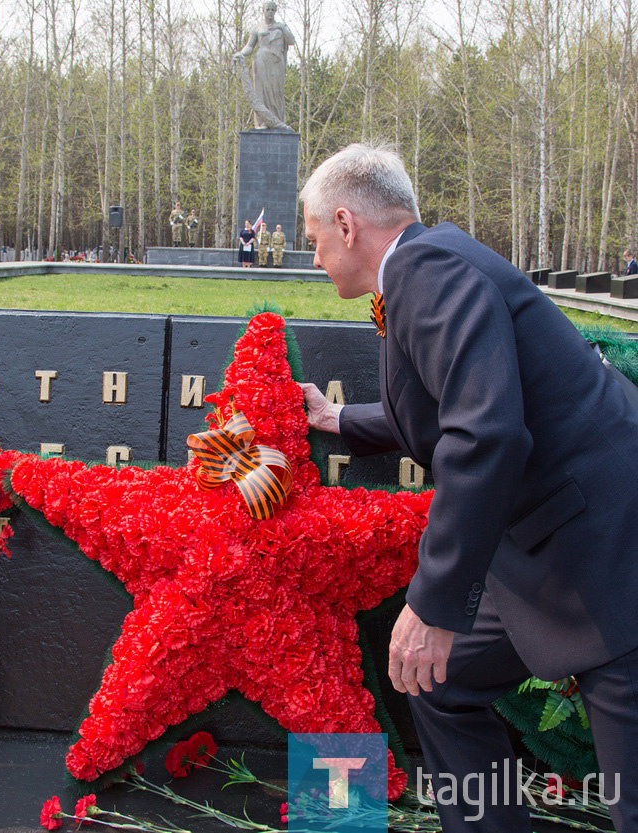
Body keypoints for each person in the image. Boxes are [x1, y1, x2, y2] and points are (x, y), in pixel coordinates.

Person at [298, 142, 638, 832]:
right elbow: (451, 401)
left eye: (311, 239)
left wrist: (434, 606)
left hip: (603, 549)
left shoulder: (429, 272)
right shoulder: (426, 267)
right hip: (544, 553)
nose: (313, 258)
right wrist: (340, 418)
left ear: (344, 223)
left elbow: (487, 436)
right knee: (439, 683)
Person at [233, 1, 295, 130]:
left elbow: (291, 41)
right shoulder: (257, 28)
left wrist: (283, 28)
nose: (270, 12)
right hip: (261, 61)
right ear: (263, 10)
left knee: (276, 92)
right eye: (268, 9)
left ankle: (277, 121)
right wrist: (241, 54)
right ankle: (262, 122)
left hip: (277, 62)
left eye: (272, 10)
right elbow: (249, 46)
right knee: (261, 91)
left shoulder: (280, 27)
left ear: (275, 11)